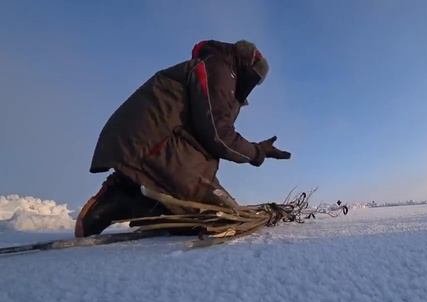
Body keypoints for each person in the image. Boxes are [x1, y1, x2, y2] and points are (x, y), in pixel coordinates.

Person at [75, 40, 291, 237]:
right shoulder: (220, 69)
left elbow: (209, 130)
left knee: (207, 216)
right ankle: (125, 193)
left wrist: (257, 149)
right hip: (151, 143)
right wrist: (257, 153)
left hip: (158, 143)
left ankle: (138, 197)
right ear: (245, 68)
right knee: (219, 218)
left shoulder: (220, 71)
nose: (251, 86)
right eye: (253, 79)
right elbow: (218, 135)